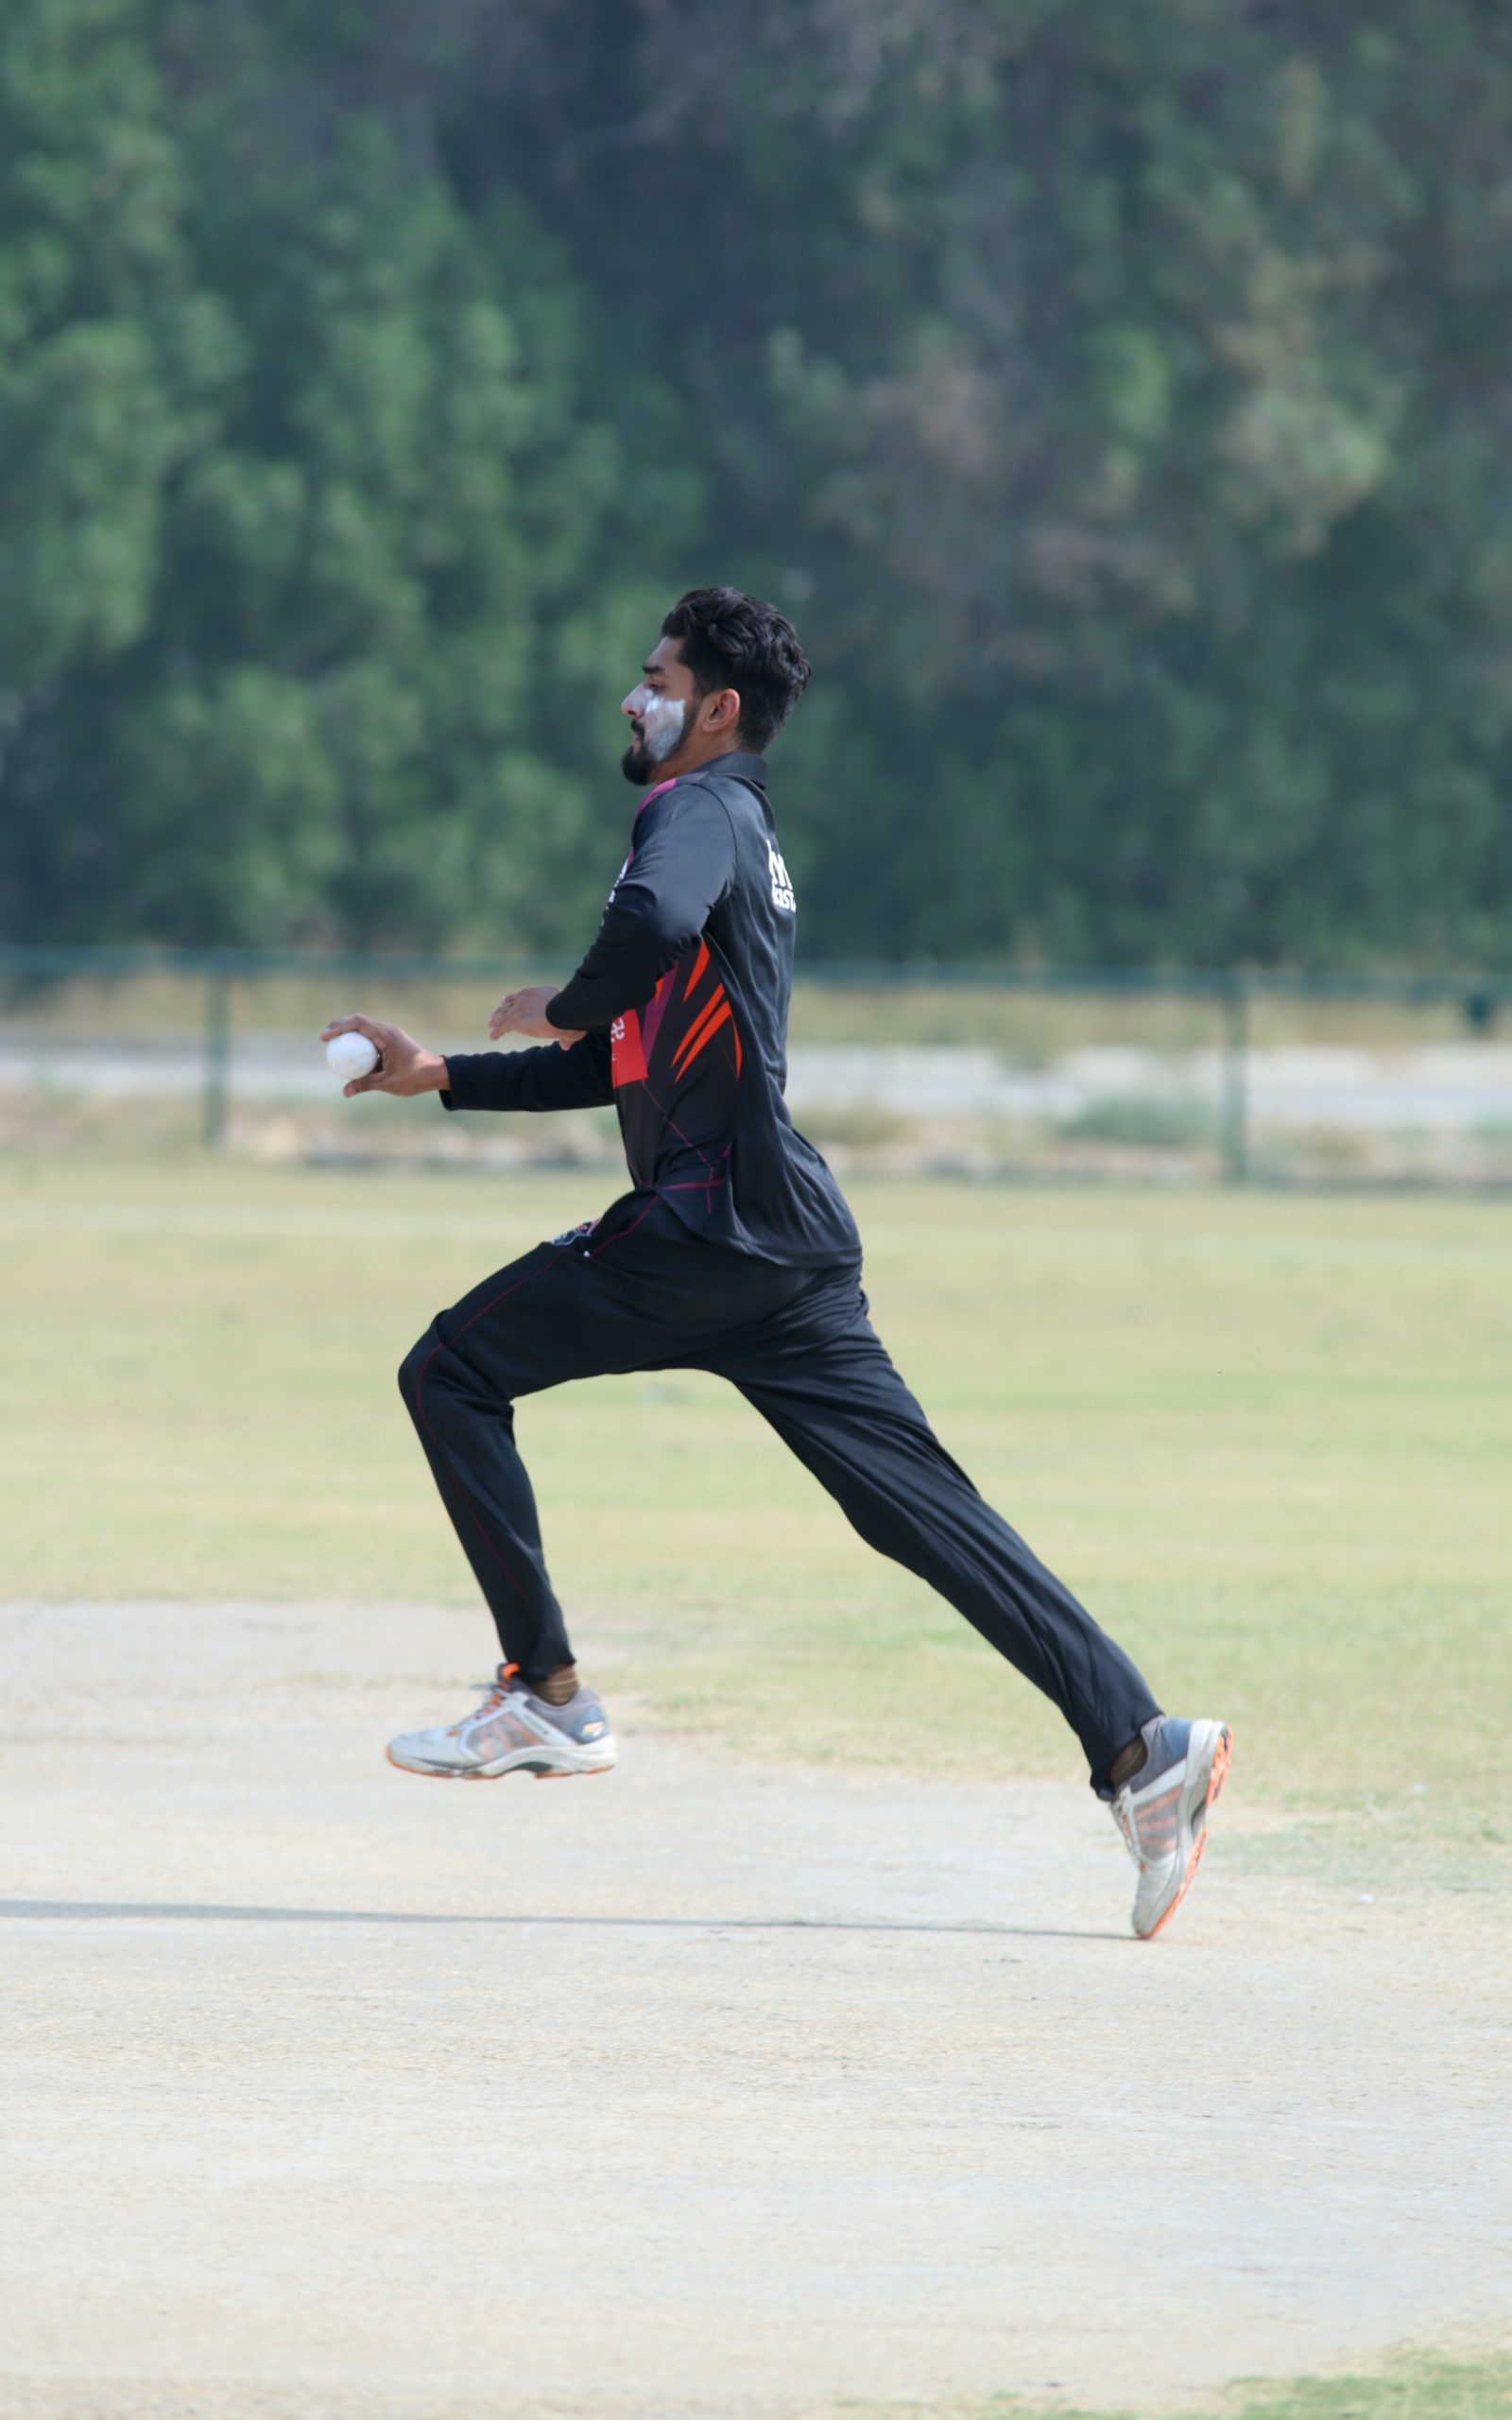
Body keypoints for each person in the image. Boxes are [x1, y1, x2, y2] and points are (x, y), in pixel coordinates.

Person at [322, 585, 1229, 1938]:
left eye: (658, 677)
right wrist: (443, 1073)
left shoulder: (693, 812)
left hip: (706, 1233)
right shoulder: (741, 829)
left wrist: (567, 996)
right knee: (922, 1514)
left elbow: (642, 938)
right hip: (786, 1246)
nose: (636, 696)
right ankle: (1144, 1748)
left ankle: (547, 1697)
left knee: (449, 1369)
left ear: (719, 708)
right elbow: (616, 1059)